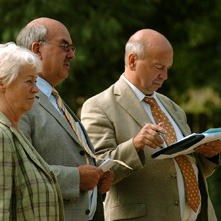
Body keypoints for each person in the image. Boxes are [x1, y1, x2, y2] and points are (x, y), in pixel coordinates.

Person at [81, 29, 221, 221]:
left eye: (167, 68)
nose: (165, 76)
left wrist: (210, 155)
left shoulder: (172, 107)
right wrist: (135, 145)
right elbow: (97, 170)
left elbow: (187, 170)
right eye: (158, 67)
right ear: (132, 61)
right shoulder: (99, 106)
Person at [16, 17, 113, 221]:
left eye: (72, 48)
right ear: (37, 49)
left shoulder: (55, 100)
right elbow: (19, 171)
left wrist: (97, 182)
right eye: (64, 46)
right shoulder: (18, 101)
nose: (72, 55)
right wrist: (76, 178)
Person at [0, 42, 64, 220]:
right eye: (29, 81)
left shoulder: (15, 132)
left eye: (36, 81)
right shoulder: (2, 136)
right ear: (2, 83)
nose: (35, 90)